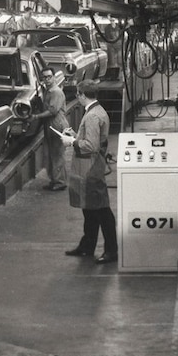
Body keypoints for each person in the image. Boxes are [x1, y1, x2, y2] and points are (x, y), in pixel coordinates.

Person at [60, 79, 118, 264]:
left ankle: (111, 251)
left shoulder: (92, 116)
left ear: (82, 95)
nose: (77, 97)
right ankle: (87, 245)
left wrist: (72, 142)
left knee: (100, 210)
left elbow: (91, 146)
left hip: (90, 169)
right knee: (90, 210)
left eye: (78, 94)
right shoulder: (96, 111)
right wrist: (75, 136)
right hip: (90, 167)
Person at [32, 67, 68, 191]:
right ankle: (55, 180)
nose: (47, 80)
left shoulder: (56, 92)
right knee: (52, 154)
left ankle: (60, 181)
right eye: (45, 77)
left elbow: (52, 111)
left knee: (57, 154)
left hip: (57, 125)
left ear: (54, 77)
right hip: (51, 125)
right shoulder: (48, 91)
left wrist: (36, 116)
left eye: (49, 77)